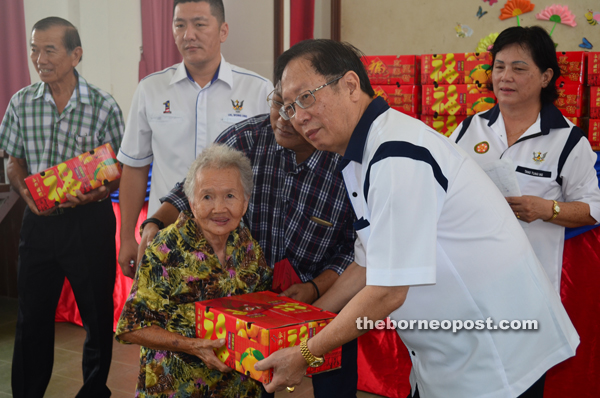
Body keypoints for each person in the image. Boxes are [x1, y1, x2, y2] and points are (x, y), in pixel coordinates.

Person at [255, 39, 579, 398]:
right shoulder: (361, 156)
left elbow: (388, 291)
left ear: (349, 85)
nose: (298, 117)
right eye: (287, 107)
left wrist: (304, 353)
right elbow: (365, 268)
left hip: (496, 357)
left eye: (305, 98)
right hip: (447, 357)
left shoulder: (397, 155)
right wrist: (303, 323)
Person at [138, 83, 358, 397]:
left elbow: (355, 245)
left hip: (325, 300)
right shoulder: (243, 139)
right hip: (248, 304)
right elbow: (191, 189)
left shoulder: (346, 161)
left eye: (295, 109)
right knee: (251, 381)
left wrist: (315, 287)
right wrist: (155, 223)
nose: (283, 118)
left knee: (334, 386)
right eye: (278, 103)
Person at [0, 17, 124, 398]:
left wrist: (98, 193)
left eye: (49, 49)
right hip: (37, 224)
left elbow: (117, 169)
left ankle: (92, 391)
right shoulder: (21, 102)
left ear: (76, 55)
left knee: (97, 315)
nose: (39, 58)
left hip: (89, 222)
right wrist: (26, 194)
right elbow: (13, 160)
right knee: (32, 318)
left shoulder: (103, 105)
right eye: (34, 49)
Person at [117, 0, 273, 278]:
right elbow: (135, 166)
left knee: (228, 318)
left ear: (223, 31)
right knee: (163, 318)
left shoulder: (257, 90)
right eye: (180, 25)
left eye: (200, 24)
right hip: (166, 237)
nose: (188, 34)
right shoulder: (151, 89)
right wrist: (126, 235)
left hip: (235, 240)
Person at [450, 26, 600, 292]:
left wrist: (548, 210)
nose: (505, 77)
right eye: (499, 67)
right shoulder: (468, 128)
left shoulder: (568, 140)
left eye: (518, 69)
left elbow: (593, 209)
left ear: (545, 77)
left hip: (531, 285)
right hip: (469, 279)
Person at [115, 144, 272, 397]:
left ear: (245, 202)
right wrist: (193, 346)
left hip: (238, 388)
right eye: (207, 196)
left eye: (230, 196)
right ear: (191, 202)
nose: (219, 208)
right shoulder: (165, 249)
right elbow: (132, 327)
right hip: (176, 387)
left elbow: (262, 310)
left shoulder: (247, 245)